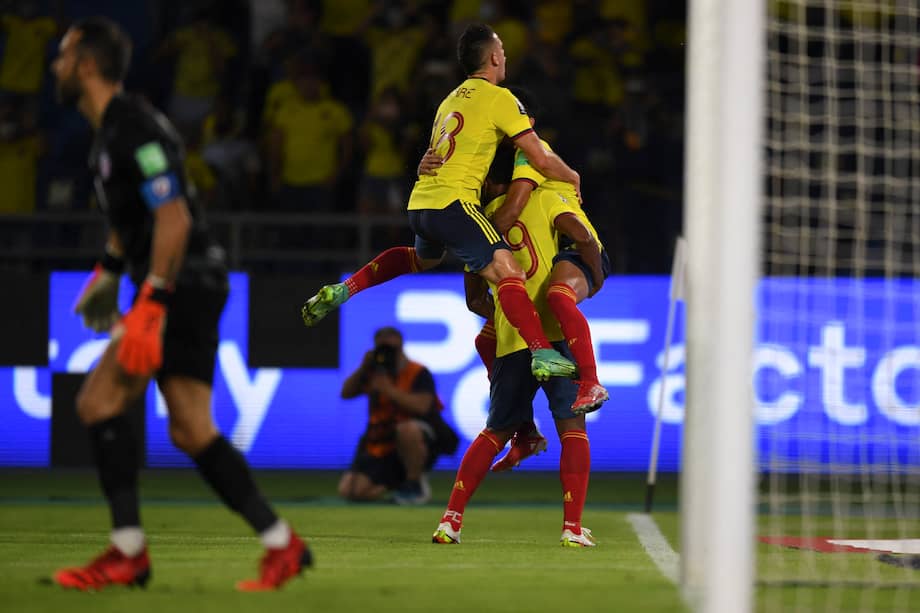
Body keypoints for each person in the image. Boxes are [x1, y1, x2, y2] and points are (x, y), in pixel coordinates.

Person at [49, 17, 310, 592]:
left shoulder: (134, 130)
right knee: (192, 429)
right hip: (185, 281)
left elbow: (174, 218)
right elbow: (132, 224)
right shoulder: (109, 134)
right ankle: (282, 544)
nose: (56, 66)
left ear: (87, 65)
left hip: (183, 281)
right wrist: (108, 273)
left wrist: (152, 303)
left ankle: (128, 553)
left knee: (96, 402)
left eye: (64, 55)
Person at [302, 23, 583, 383]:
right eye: (504, 51)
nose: (506, 57)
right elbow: (540, 158)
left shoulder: (450, 99)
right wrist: (572, 176)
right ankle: (542, 353)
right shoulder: (501, 99)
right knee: (508, 273)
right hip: (455, 203)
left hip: (422, 201)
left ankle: (345, 287)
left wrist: (424, 163)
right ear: (495, 57)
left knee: (422, 258)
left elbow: (444, 150)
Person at [431, 147, 597, 548]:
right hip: (556, 334)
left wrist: (504, 315)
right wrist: (590, 272)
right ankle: (571, 528)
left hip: (511, 341)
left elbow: (473, 300)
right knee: (571, 429)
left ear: (489, 183)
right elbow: (580, 234)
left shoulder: (479, 225)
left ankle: (450, 521)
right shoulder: (544, 197)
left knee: (494, 432)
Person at [338, 327, 458, 505]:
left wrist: (388, 390)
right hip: (381, 441)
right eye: (382, 349)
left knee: (406, 429)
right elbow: (346, 393)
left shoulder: (417, 371)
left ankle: (415, 482)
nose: (387, 354)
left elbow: (423, 406)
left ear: (401, 347)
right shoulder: (373, 372)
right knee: (350, 491)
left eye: (392, 349)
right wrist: (363, 368)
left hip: (417, 438)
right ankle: (398, 483)